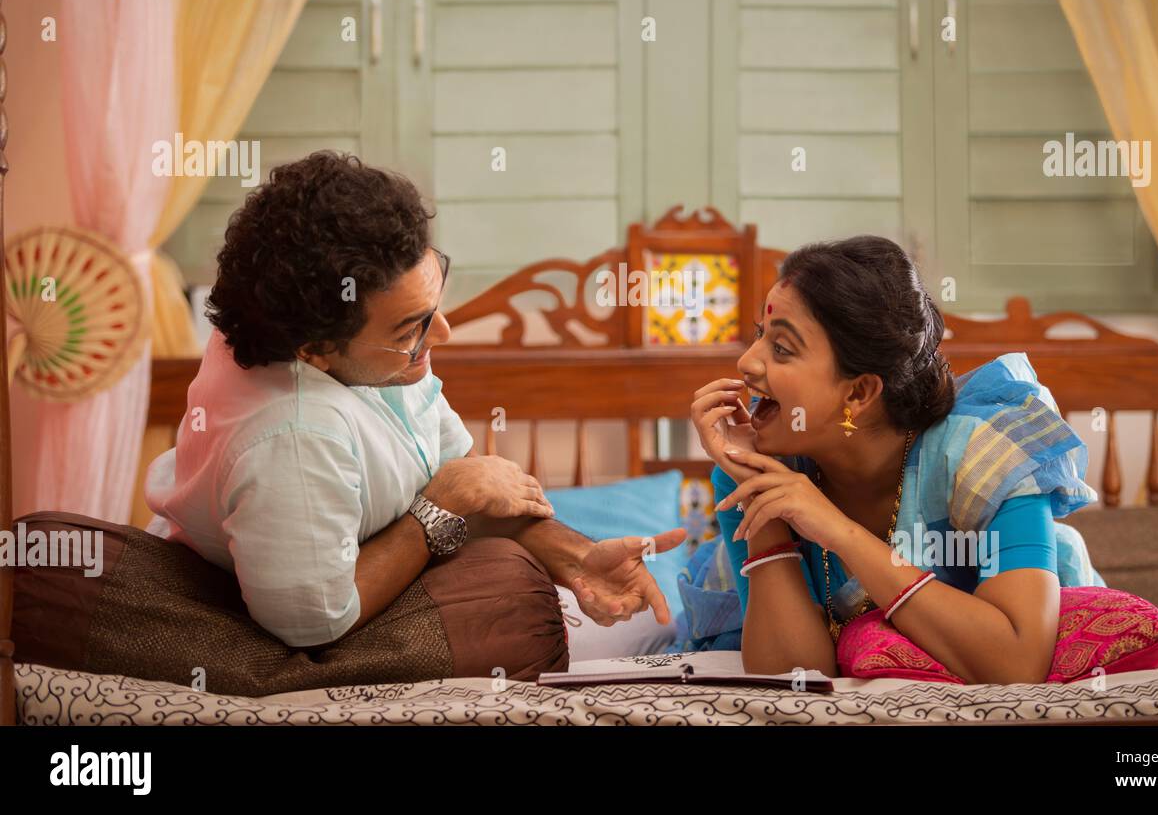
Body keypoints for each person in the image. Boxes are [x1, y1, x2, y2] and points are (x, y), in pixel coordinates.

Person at [145, 150, 683, 648]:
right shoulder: (293, 434)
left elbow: (463, 479)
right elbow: (315, 620)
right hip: (278, 634)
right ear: (315, 350)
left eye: (433, 304)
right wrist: (438, 509)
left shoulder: (370, 351)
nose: (443, 332)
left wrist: (582, 557)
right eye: (412, 328)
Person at [688, 236, 1105, 683]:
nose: (747, 363)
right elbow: (792, 678)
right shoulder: (755, 470)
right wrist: (758, 490)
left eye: (782, 349)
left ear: (859, 392)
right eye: (759, 336)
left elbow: (1018, 662)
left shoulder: (988, 453)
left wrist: (839, 531)